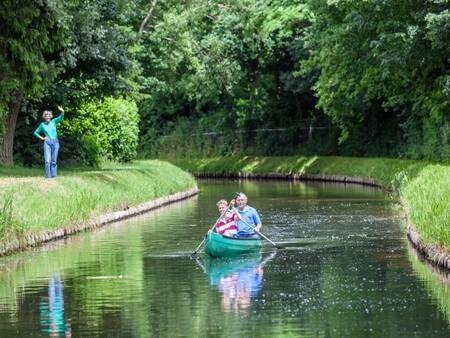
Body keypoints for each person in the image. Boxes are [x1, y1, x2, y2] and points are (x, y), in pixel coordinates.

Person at [34, 106, 64, 178]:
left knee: (54, 161)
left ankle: (53, 176)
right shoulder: (42, 125)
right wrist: (42, 138)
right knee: (47, 161)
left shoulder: (53, 121)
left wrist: (62, 111)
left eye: (48, 116)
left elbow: (61, 117)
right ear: (44, 117)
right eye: (46, 116)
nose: (47, 117)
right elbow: (35, 132)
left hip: (55, 142)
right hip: (47, 143)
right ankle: (48, 176)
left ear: (50, 117)